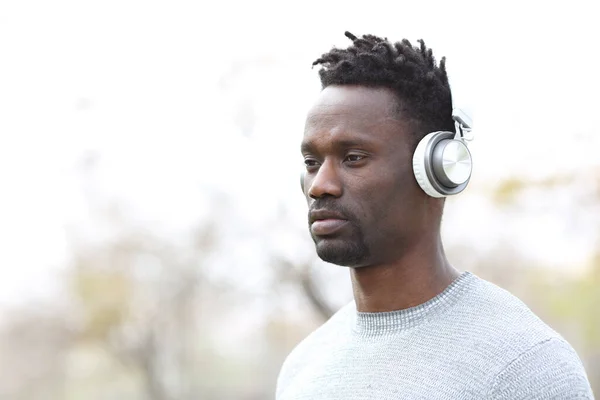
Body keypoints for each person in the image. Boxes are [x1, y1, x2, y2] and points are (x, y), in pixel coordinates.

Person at [275, 32, 594, 400]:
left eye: (353, 158)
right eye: (312, 163)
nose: (320, 185)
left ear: (438, 169)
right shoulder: (303, 367)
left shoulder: (525, 367)